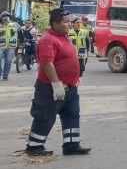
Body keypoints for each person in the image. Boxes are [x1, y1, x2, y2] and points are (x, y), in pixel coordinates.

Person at [24, 8, 91, 156]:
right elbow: (47, 63)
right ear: (55, 24)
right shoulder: (48, 39)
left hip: (70, 88)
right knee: (45, 116)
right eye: (66, 22)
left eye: (69, 22)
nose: (69, 24)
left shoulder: (63, 36)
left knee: (72, 115)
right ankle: (34, 147)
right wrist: (56, 83)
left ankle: (71, 145)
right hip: (50, 88)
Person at [1, 11, 20, 80]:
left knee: (8, 61)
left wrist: (22, 42)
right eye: (4, 16)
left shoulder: (15, 25)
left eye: (7, 16)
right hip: (1, 46)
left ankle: (5, 75)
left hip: (11, 46)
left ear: (10, 18)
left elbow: (20, 33)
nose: (5, 18)